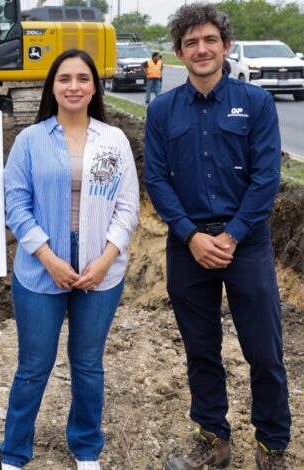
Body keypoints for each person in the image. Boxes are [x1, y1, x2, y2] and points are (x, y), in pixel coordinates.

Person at [144, 4, 290, 470]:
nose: (201, 49)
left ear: (225, 46)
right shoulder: (163, 109)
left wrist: (231, 235)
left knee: (264, 351)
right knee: (200, 349)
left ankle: (272, 446)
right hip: (188, 247)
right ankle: (213, 441)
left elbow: (267, 177)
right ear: (179, 53)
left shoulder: (257, 103)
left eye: (209, 40)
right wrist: (190, 236)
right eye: (191, 43)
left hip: (245, 244)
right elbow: (157, 179)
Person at [0, 48, 140, 470]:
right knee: (33, 366)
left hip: (101, 272)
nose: (73, 86)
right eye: (65, 79)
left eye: (82, 78)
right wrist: (48, 256)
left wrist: (104, 259)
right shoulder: (30, 140)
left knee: (88, 365)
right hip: (42, 271)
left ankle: (85, 447)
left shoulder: (113, 140)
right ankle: (13, 453)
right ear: (53, 87)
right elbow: (16, 204)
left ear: (94, 86)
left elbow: (127, 206)